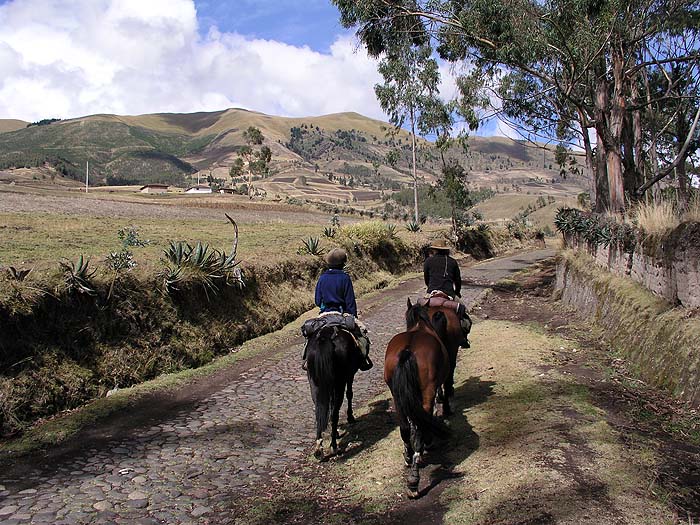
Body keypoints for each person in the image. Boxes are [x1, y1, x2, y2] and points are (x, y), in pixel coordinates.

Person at [302, 248, 373, 371]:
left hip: (324, 314)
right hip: (342, 313)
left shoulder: (322, 278)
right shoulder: (345, 278)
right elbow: (350, 302)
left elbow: (318, 301)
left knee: (310, 336)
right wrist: (352, 316)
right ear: (343, 263)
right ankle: (363, 360)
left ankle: (307, 359)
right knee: (362, 335)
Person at [423, 239, 472, 347]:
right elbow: (457, 280)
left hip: (431, 293)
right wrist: (457, 292)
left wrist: (431, 289)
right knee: (464, 315)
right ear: (445, 250)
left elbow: (426, 279)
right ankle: (463, 339)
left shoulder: (428, 261)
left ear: (434, 250)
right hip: (449, 293)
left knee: (415, 312)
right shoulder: (452, 262)